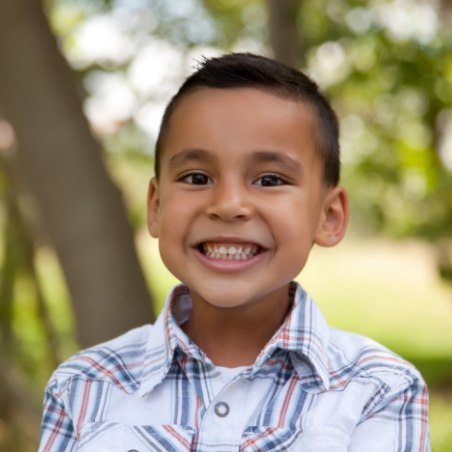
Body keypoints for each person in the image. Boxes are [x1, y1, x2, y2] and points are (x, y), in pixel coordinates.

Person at [38, 53, 430, 451]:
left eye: (270, 179)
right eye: (197, 177)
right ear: (156, 207)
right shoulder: (84, 386)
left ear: (328, 216)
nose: (228, 204)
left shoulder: (378, 389)